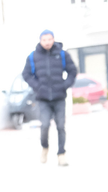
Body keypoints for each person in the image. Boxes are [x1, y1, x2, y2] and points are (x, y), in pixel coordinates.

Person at [21, 29, 77, 166]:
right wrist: (37, 86)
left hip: (59, 97)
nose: (47, 42)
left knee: (60, 126)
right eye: (44, 40)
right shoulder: (33, 57)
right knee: (44, 125)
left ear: (53, 39)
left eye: (49, 39)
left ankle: (61, 154)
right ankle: (45, 147)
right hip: (43, 99)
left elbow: (73, 71)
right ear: (40, 41)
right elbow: (26, 74)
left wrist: (65, 85)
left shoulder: (62, 54)